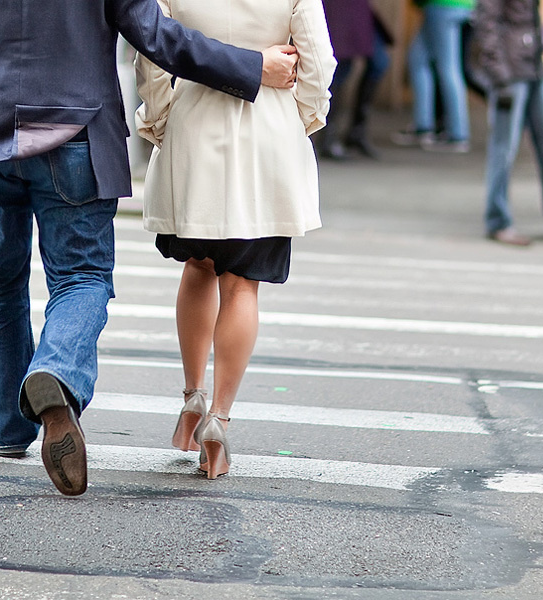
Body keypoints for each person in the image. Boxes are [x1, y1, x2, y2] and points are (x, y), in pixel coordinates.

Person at [0, 0, 299, 496]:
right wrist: (251, 66)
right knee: (82, 278)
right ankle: (56, 373)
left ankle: (4, 428)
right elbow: (156, 36)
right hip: (75, 131)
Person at [134, 0, 335, 479]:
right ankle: (219, 419)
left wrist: (159, 120)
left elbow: (152, 54)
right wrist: (301, 117)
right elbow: (319, 61)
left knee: (198, 267)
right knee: (242, 282)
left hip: (194, 129)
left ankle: (192, 395)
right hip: (268, 132)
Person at [468, 0, 543, 246]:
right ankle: (498, 221)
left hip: (533, 67)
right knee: (504, 149)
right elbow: (486, 24)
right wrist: (499, 77)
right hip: (511, 72)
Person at [392, 0, 475, 153]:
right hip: (461, 6)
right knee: (418, 59)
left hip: (441, 5)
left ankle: (457, 133)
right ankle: (424, 125)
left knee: (448, 68)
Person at [317, 0, 391, 159]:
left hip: (358, 8)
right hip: (337, 8)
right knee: (341, 65)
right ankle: (328, 135)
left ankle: (356, 132)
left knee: (379, 62)